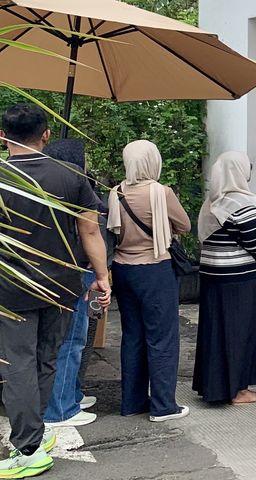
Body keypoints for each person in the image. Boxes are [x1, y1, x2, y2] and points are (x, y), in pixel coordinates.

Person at [0, 105, 111, 477]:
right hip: (62, 285)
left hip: (11, 287)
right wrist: (102, 277)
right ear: (46, 134)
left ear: (3, 136)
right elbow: (90, 232)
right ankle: (38, 433)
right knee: (47, 358)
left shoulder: (2, 177)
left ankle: (29, 448)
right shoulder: (72, 177)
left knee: (17, 365)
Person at [108, 140, 192, 421]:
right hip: (155, 269)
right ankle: (163, 405)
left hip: (122, 269)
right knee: (162, 337)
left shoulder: (116, 192)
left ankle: (132, 402)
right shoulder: (160, 192)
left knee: (132, 335)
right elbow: (185, 225)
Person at [193, 151, 256, 404]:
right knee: (241, 332)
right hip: (238, 277)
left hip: (211, 275)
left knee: (216, 331)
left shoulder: (212, 203)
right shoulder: (242, 203)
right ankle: (240, 389)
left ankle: (215, 386)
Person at [41, 139, 104, 429]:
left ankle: (71, 396)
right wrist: (103, 274)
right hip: (76, 273)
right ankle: (60, 408)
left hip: (54, 273)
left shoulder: (42, 189)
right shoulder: (75, 189)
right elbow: (90, 230)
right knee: (71, 340)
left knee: (63, 340)